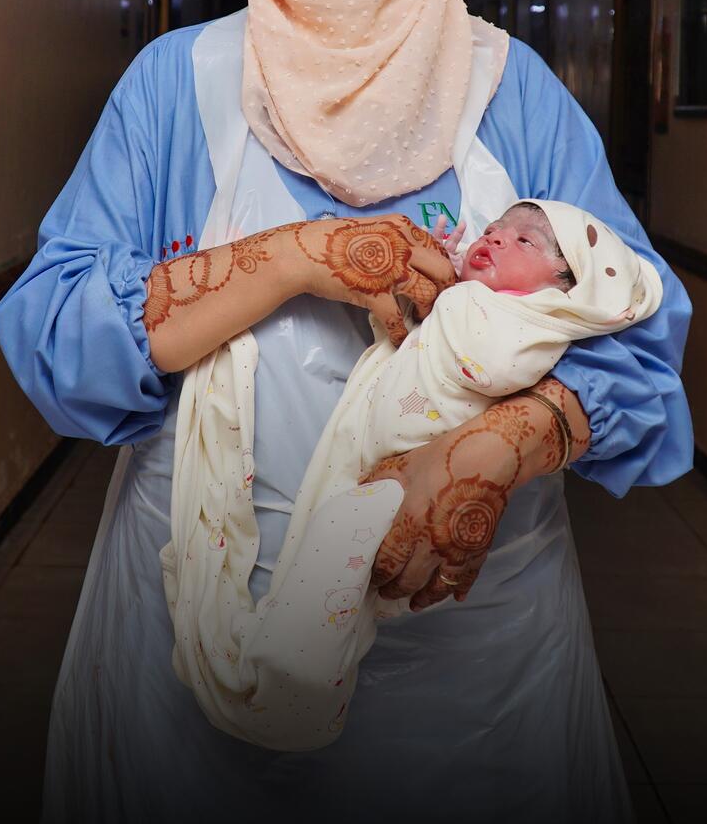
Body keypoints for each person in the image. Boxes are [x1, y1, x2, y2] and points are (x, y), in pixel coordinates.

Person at [0, 0, 694, 824]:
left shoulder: (515, 93)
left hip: (466, 656)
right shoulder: (182, 85)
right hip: (194, 628)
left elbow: (636, 329)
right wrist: (288, 258)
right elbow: (58, 335)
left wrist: (497, 446)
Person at [161, 198, 664, 754]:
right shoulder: (479, 299)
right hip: (363, 447)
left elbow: (494, 367)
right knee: (325, 541)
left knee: (341, 544)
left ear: (566, 287)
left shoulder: (532, 323)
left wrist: (460, 306)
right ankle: (285, 656)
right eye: (495, 229)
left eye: (526, 243)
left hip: (419, 485)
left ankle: (300, 677)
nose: (497, 238)